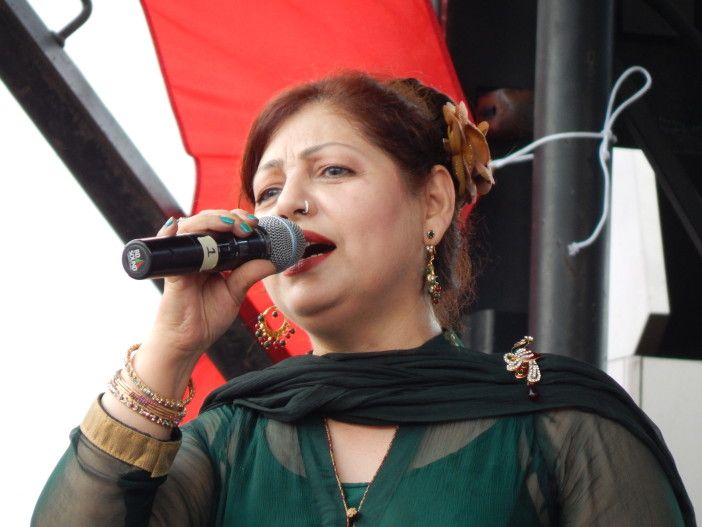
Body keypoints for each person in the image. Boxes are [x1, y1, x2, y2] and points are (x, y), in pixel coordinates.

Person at [33, 72, 694, 526]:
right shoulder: (230, 441)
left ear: (433, 205)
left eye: (333, 170)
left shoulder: (559, 422)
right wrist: (170, 347)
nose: (287, 203)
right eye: (267, 191)